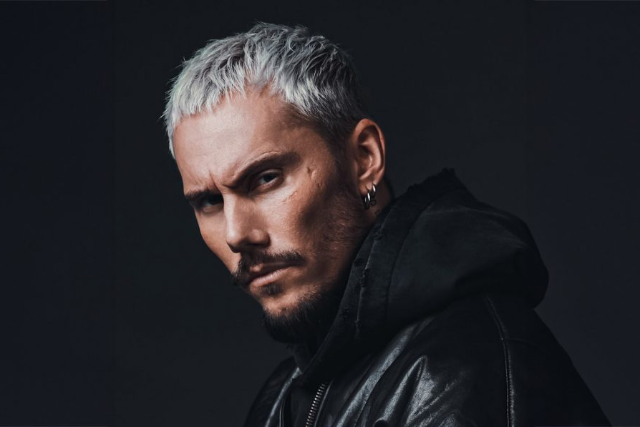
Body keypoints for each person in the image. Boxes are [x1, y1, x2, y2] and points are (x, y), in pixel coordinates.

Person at [163, 22, 610, 427]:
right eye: (209, 202)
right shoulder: (287, 394)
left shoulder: (461, 375)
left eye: (265, 179)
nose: (236, 234)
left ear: (364, 159)